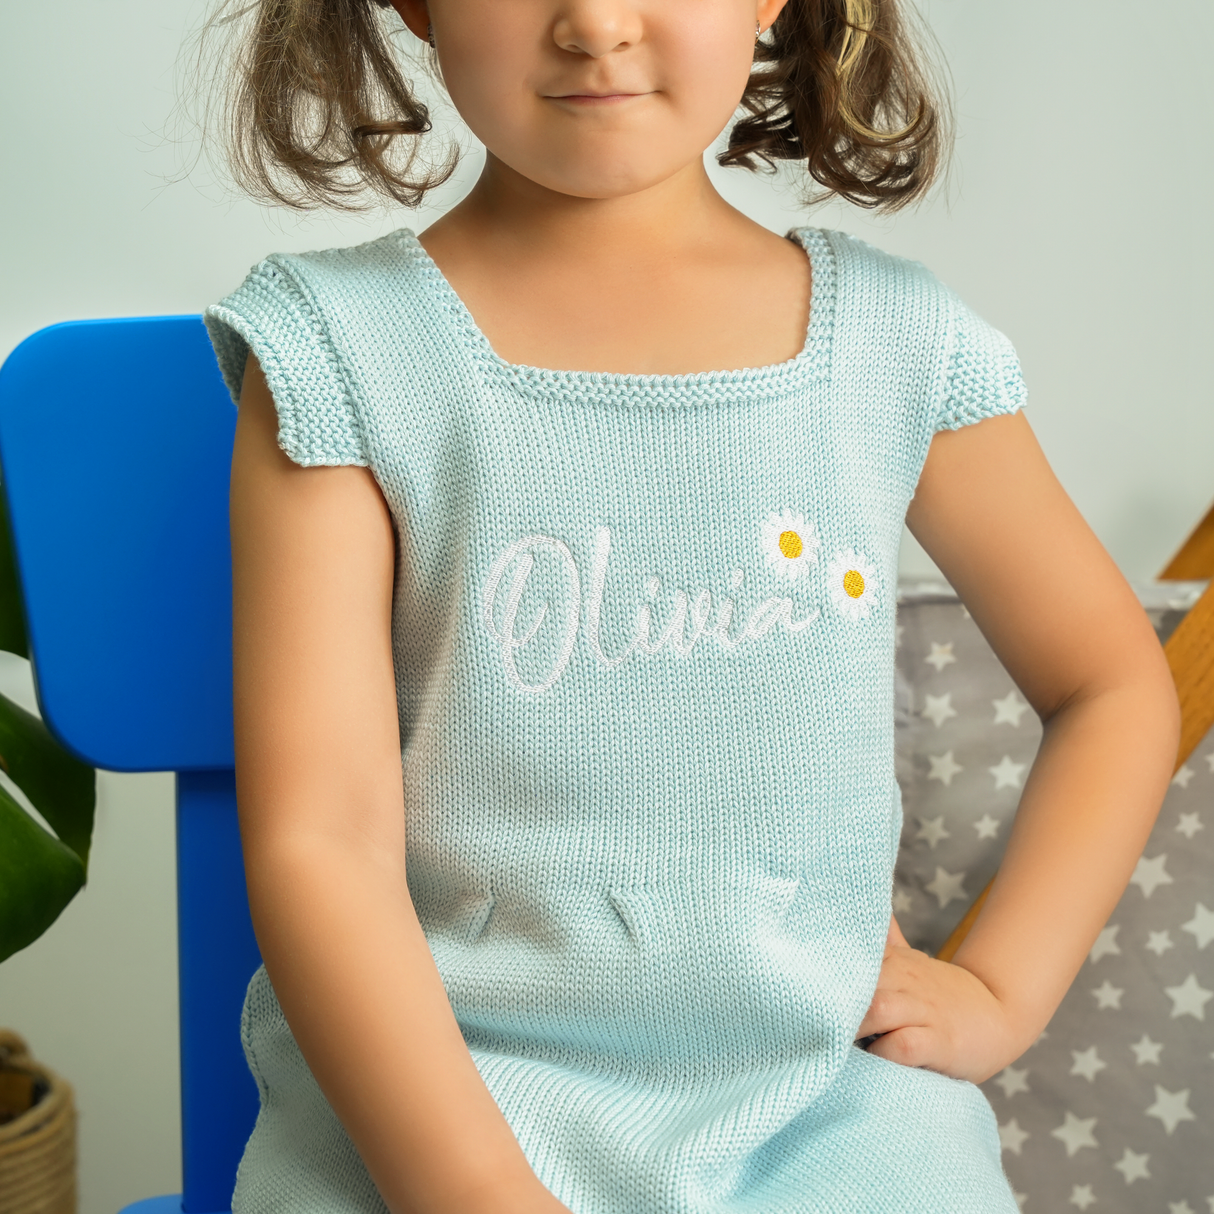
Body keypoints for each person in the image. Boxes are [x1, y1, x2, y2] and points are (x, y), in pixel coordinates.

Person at [204, 0, 1180, 1210]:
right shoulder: (341, 352)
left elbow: (1108, 684)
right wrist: (473, 1188)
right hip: (428, 1104)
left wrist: (998, 989)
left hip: (818, 1106)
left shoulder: (894, 344)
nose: (593, 23)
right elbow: (322, 838)